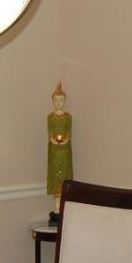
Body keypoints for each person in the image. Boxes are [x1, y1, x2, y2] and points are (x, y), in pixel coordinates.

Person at [46, 80, 72, 220]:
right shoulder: (50, 117)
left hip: (65, 151)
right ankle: (56, 206)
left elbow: (68, 134)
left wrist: (64, 140)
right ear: (53, 101)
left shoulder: (68, 117)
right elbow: (50, 134)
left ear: (64, 101)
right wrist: (55, 140)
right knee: (56, 175)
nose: (59, 103)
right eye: (56, 101)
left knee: (64, 175)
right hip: (54, 151)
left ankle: (62, 205)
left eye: (61, 100)